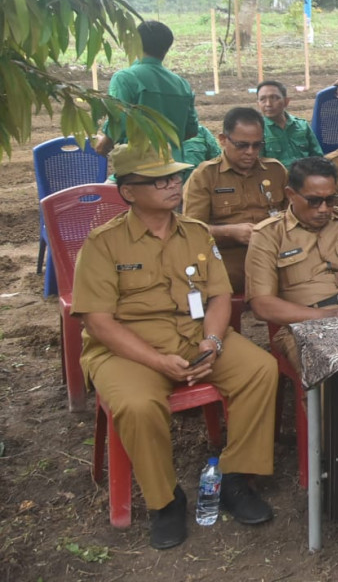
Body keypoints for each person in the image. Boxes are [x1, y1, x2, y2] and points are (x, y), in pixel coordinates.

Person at [73, 144, 277, 549]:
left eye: (174, 177)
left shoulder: (196, 233)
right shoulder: (103, 243)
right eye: (159, 180)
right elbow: (98, 321)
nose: (173, 185)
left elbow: (219, 296)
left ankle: (235, 478)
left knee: (261, 370)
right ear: (129, 191)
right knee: (136, 405)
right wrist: (156, 360)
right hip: (127, 348)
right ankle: (164, 501)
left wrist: (214, 341)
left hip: (195, 336)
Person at [245, 156, 338, 368]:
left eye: (331, 200)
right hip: (306, 325)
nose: (323, 209)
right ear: (290, 195)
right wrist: (326, 315)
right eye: (314, 201)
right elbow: (262, 304)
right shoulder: (268, 234)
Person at [182, 107, 287, 294]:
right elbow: (190, 230)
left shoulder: (275, 171)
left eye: (257, 145)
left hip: (276, 255)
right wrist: (229, 232)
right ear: (223, 140)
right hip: (229, 259)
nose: (250, 152)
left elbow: (295, 214)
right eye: (242, 145)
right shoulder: (205, 175)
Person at [94, 20, 198, 161]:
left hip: (139, 168)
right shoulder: (182, 85)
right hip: (174, 168)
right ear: (166, 49)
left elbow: (119, 122)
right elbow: (191, 130)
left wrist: (104, 143)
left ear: (136, 43)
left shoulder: (125, 78)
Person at [255, 80, 323, 169]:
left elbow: (318, 157)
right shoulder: (258, 131)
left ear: (286, 101)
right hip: (276, 181)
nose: (268, 104)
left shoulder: (302, 125)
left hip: (306, 178)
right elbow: (258, 166)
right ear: (258, 104)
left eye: (274, 98)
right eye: (262, 99)